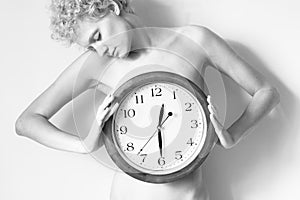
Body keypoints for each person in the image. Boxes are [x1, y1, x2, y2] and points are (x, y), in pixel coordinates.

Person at [15, 0, 280, 199]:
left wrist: (233, 136)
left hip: (191, 194)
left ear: (110, 7)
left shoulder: (195, 39)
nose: (99, 49)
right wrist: (83, 145)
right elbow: (27, 122)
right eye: (90, 46)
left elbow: (266, 92)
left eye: (97, 36)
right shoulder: (97, 63)